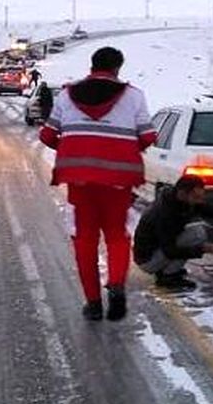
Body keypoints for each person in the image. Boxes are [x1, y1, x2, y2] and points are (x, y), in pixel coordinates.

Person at [39, 46, 156, 321]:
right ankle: (116, 284)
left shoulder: (67, 94)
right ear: (118, 68)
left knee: (84, 239)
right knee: (117, 235)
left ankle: (92, 303)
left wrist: (73, 151)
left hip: (79, 181)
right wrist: (124, 149)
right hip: (118, 181)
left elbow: (47, 135)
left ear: (92, 66)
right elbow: (148, 136)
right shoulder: (134, 96)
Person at [133, 176, 213, 290]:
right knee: (197, 234)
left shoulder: (178, 200)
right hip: (148, 260)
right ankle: (168, 276)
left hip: (156, 250)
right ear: (182, 193)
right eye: (196, 197)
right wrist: (207, 248)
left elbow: (204, 208)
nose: (199, 201)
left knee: (196, 231)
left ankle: (167, 270)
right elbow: (170, 251)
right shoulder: (165, 213)